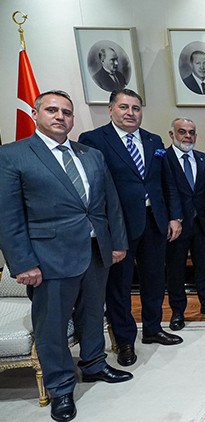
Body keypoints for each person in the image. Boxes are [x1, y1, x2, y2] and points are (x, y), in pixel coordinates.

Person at [0, 90, 132, 422]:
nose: (60, 116)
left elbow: (110, 202)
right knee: (52, 326)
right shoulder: (13, 155)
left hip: (95, 252)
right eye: (52, 110)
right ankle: (60, 387)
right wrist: (22, 263)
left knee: (93, 314)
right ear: (36, 114)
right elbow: (8, 216)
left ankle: (95, 364)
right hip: (48, 258)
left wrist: (117, 242)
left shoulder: (91, 154)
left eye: (67, 112)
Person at [79, 88, 184, 368]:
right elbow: (92, 188)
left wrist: (174, 217)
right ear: (110, 109)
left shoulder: (153, 140)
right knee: (120, 285)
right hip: (118, 226)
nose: (130, 113)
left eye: (136, 108)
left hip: (154, 221)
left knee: (154, 279)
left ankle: (152, 328)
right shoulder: (93, 140)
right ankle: (125, 340)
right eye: (124, 107)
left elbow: (166, 182)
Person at [164, 118, 205, 331]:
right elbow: (164, 192)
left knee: (204, 266)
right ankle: (178, 311)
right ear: (172, 135)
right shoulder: (163, 158)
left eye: (191, 132)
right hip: (176, 226)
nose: (187, 136)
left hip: (202, 223)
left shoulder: (204, 159)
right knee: (176, 270)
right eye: (182, 132)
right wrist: (173, 218)